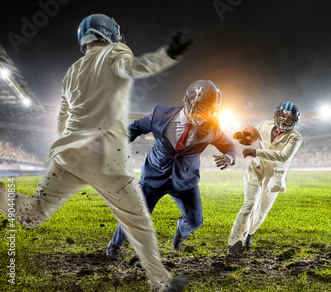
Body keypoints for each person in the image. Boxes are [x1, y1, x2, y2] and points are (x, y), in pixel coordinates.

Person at [0, 13, 191, 291]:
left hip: (67, 154)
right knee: (137, 222)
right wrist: (168, 55)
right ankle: (162, 284)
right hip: (102, 155)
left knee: (32, 215)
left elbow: (62, 121)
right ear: (110, 34)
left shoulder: (72, 71)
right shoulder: (115, 51)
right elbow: (134, 67)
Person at [106, 80, 236, 259]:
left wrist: (229, 157)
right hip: (153, 178)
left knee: (195, 221)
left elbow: (228, 145)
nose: (205, 116)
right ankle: (114, 245)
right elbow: (135, 128)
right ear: (188, 102)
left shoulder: (212, 127)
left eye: (210, 111)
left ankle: (180, 232)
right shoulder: (161, 114)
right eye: (202, 109)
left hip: (185, 181)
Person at [228, 101, 302, 255]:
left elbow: (283, 157)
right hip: (257, 169)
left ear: (294, 120)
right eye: (282, 116)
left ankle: (250, 233)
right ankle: (234, 242)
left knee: (261, 213)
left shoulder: (295, 137)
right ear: (276, 116)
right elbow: (253, 136)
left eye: (289, 118)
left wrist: (256, 152)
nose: (285, 120)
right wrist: (245, 135)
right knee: (249, 204)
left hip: (274, 176)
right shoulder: (265, 125)